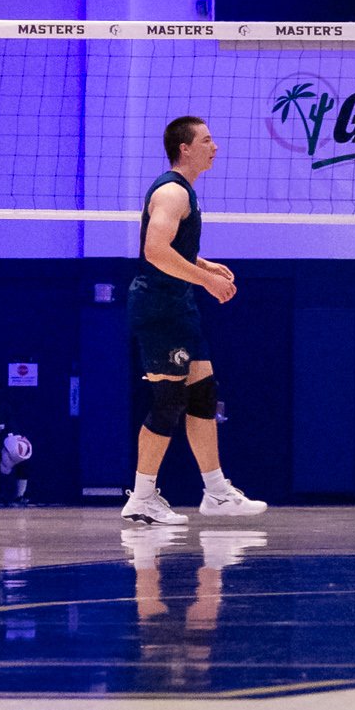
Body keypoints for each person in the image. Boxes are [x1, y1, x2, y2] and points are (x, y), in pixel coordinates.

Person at [122, 116, 266, 525]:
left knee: (202, 394)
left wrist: (202, 264)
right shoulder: (172, 191)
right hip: (160, 309)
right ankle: (142, 498)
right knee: (168, 401)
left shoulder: (185, 192)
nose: (214, 146)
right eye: (206, 140)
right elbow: (154, 250)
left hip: (179, 305)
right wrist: (206, 281)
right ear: (184, 148)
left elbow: (171, 247)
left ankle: (217, 492)